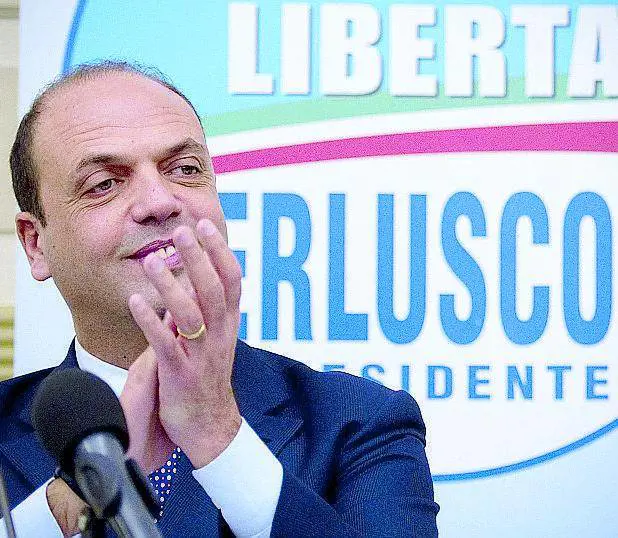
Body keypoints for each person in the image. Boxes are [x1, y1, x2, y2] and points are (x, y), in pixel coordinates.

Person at [0, 61, 439, 537]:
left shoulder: (359, 422)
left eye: (184, 170)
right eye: (104, 183)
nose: (159, 202)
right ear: (35, 244)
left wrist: (219, 438)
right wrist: (66, 503)